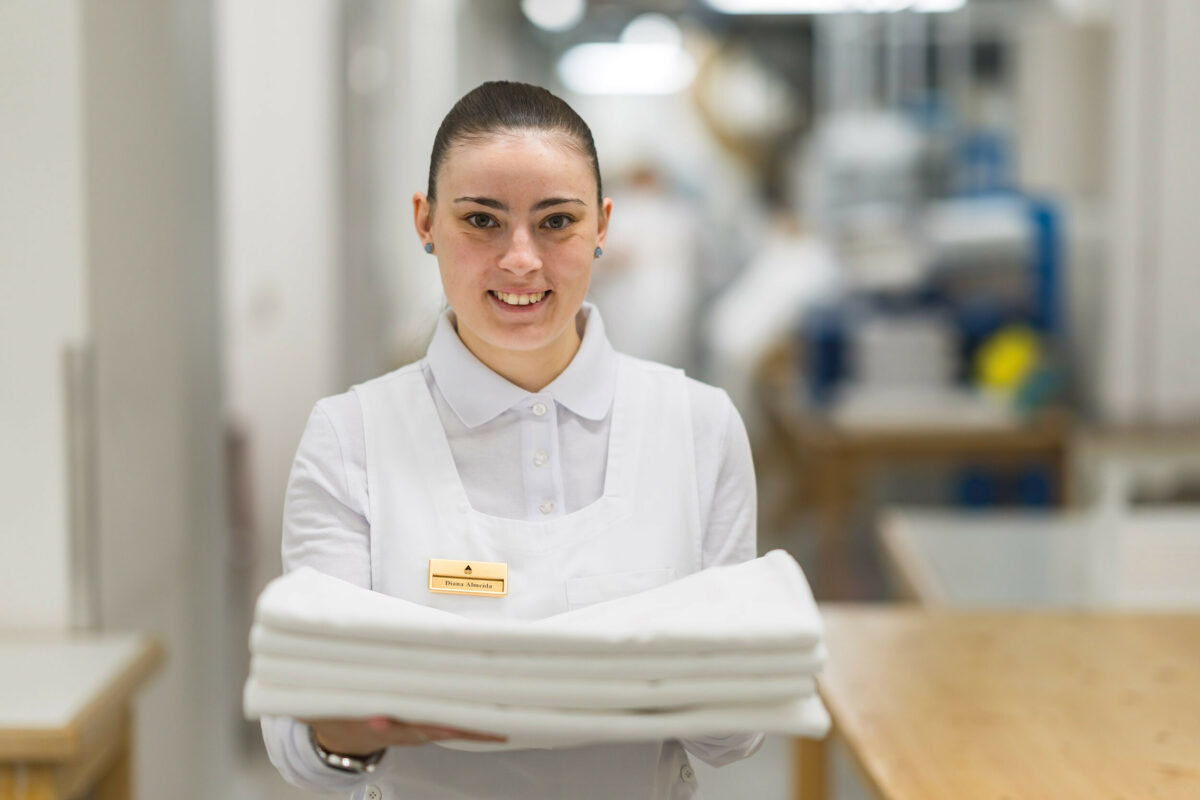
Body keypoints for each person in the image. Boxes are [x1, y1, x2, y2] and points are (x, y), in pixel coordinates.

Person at [262, 81, 762, 799]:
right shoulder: (352, 437)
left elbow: (734, 738)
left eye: (556, 221)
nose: (521, 259)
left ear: (602, 226)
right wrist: (346, 723)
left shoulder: (697, 425)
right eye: (481, 221)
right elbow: (300, 746)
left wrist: (716, 681)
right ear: (425, 221)